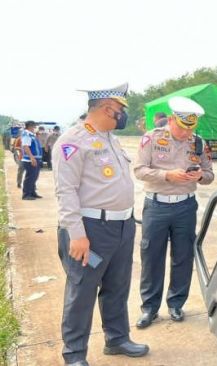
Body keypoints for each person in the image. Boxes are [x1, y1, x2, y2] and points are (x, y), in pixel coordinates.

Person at [52, 83, 149, 366]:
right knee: (82, 292)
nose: (122, 116)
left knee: (117, 286)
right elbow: (66, 191)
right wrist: (77, 236)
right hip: (90, 231)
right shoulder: (72, 141)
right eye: (120, 110)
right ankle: (74, 355)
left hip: (121, 227)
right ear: (107, 108)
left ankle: (117, 339)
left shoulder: (109, 138)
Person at [133, 96, 213, 328]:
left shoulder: (198, 143)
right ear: (170, 120)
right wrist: (167, 175)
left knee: (183, 256)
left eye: (190, 130)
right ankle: (149, 308)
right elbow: (139, 170)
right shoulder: (152, 138)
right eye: (180, 128)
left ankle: (176, 304)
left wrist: (200, 176)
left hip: (185, 207)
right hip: (156, 206)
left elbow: (209, 175)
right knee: (152, 257)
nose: (185, 134)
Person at [21, 121, 43, 200]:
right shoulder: (26, 134)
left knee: (34, 177)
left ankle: (32, 192)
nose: (35, 128)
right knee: (30, 177)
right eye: (34, 126)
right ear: (30, 126)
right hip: (29, 160)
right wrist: (31, 158)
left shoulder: (32, 135)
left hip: (36, 159)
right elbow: (26, 147)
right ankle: (26, 194)